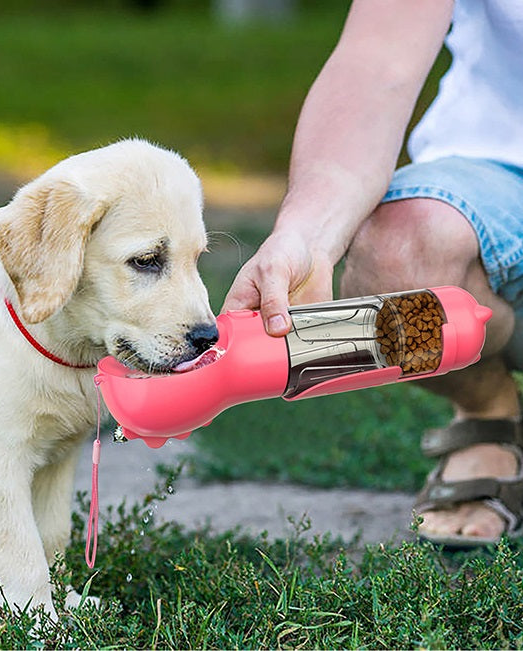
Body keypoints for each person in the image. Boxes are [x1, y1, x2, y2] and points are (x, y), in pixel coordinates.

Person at [222, 0, 523, 547]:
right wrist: (308, 237)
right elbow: (375, 62)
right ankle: (490, 413)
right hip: (500, 163)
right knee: (401, 256)